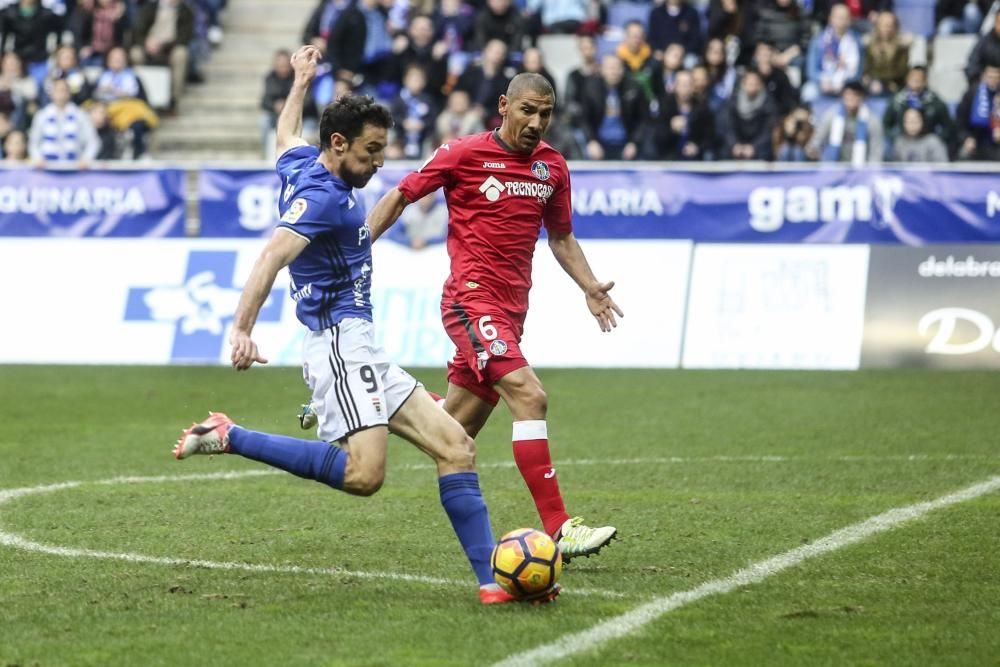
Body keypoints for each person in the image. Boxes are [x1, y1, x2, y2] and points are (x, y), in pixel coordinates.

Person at [173, 45, 542, 606]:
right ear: (340, 145)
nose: (378, 165)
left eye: (382, 151)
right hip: (338, 345)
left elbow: (284, 136)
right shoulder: (325, 200)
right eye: (371, 152)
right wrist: (242, 330)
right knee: (364, 476)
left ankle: (493, 584)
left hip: (362, 347)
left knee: (456, 446)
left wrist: (300, 81)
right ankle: (230, 436)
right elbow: (272, 255)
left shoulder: (304, 165)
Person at [359, 72, 621, 561]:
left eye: (546, 113)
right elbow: (400, 196)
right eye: (528, 110)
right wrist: (358, 249)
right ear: (504, 105)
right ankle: (561, 527)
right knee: (530, 395)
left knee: (453, 432)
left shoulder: (553, 168)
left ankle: (370, 396)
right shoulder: (463, 153)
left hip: (511, 309)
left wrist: (590, 286)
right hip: (470, 300)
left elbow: (561, 238)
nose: (537, 122)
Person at [808, 80, 885, 164]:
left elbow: (876, 153)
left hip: (862, 170)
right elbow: (818, 140)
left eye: (854, 95)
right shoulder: (832, 115)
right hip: (834, 169)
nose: (850, 99)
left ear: (862, 98)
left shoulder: (872, 121)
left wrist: (869, 173)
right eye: (847, 94)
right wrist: (813, 149)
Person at [27, 78, 99, 167]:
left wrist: (86, 159)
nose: (61, 94)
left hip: (74, 169)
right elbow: (33, 142)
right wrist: (38, 158)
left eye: (64, 90)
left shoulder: (80, 115)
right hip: (47, 170)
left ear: (69, 93)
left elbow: (93, 141)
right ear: (51, 93)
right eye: (57, 90)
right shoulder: (42, 115)